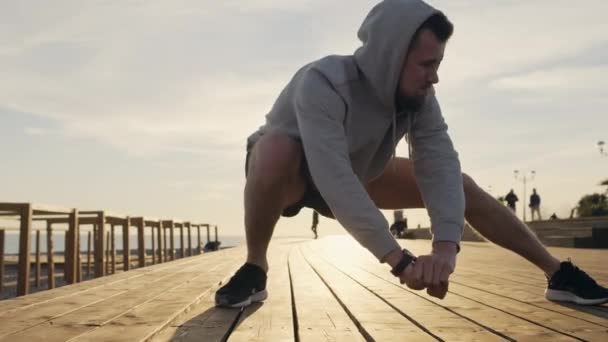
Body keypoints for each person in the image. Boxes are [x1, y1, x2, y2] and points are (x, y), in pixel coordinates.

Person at [215, 0, 608, 308]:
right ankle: (255, 265)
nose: (434, 76)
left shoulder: (421, 98)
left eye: (438, 64)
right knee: (273, 149)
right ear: (390, 57)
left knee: (460, 185)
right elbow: (333, 177)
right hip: (295, 172)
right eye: (427, 64)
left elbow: (438, 166)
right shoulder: (322, 83)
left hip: (358, 170)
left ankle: (557, 274)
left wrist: (444, 250)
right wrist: (399, 260)